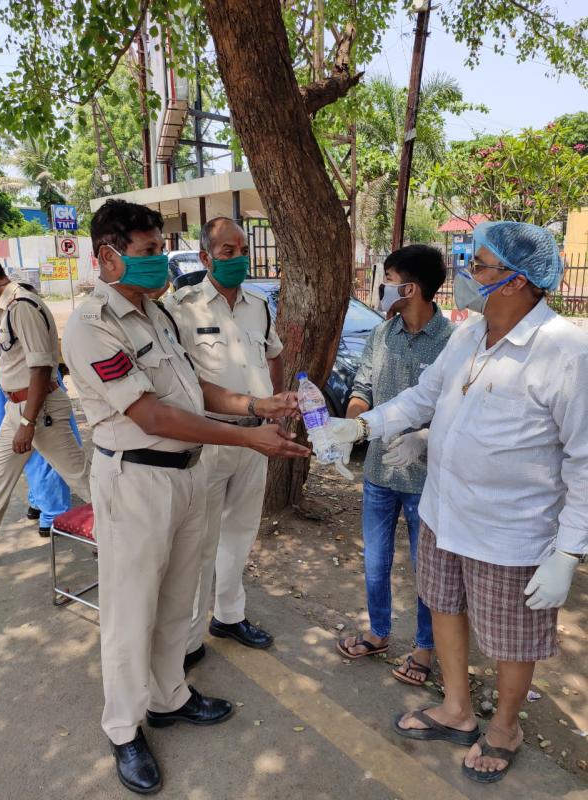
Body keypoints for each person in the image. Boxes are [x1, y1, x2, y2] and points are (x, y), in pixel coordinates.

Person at [327, 221, 588, 784]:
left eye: (481, 266)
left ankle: (506, 728)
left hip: (512, 530)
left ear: (518, 282)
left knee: (512, 637)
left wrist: (568, 551)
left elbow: (584, 459)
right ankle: (457, 710)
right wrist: (362, 427)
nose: (469, 275)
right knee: (444, 608)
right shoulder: (469, 334)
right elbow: (424, 396)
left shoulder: (567, 350)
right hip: (442, 514)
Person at [62, 199, 309, 795]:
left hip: (186, 475)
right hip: (136, 480)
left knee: (177, 597)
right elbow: (152, 414)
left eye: (156, 250)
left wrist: (257, 406)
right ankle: (123, 727)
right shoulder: (93, 323)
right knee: (131, 610)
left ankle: (170, 696)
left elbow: (194, 389)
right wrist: (248, 439)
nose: (157, 264)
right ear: (108, 256)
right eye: (146, 254)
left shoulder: (155, 314)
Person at [166, 216, 284, 667]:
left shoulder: (258, 304)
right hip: (209, 438)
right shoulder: (183, 307)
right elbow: (182, 379)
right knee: (201, 540)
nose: (238, 258)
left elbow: (272, 355)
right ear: (206, 257)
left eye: (242, 249)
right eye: (227, 252)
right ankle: (190, 638)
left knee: (240, 532)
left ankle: (229, 616)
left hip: (255, 440)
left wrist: (272, 403)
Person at [336, 246, 453, 690]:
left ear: (410, 288)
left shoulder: (452, 342)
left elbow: (459, 409)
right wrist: (350, 427)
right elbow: (363, 386)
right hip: (380, 475)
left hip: (428, 481)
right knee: (376, 561)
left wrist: (426, 437)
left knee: (429, 568)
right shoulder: (382, 336)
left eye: (387, 279)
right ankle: (378, 633)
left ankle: (425, 647)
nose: (380, 288)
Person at [0, 257, 91, 567]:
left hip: (39, 411)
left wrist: (27, 422)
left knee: (81, 477)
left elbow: (41, 368)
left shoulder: (22, 306)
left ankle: (125, 531)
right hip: (17, 408)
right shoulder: (5, 308)